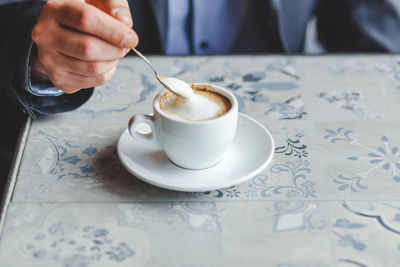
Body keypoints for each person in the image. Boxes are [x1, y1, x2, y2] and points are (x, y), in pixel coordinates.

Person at [0, 0, 399, 194]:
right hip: (98, 98)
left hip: (286, 103)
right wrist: (41, 56)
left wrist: (383, 85)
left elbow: (368, 21)